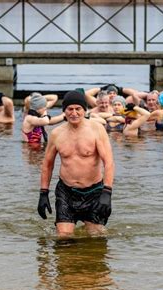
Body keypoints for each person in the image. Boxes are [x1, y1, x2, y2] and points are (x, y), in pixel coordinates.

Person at [37, 90, 115, 237]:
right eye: (70, 109)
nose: (74, 113)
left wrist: (107, 192)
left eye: (78, 109)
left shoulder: (97, 129)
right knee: (64, 238)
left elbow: (109, 162)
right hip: (66, 192)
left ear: (84, 110)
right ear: (64, 111)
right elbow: (47, 164)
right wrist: (43, 193)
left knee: (95, 238)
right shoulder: (56, 134)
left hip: (94, 192)